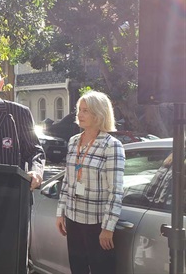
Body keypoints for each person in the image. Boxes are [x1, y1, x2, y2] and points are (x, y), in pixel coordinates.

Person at [56, 90, 125, 274]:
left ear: (99, 113)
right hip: (73, 220)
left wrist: (108, 228)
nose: (79, 114)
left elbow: (116, 191)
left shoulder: (111, 146)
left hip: (96, 224)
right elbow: (67, 181)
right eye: (79, 109)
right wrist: (60, 212)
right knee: (77, 270)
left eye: (85, 110)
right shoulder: (73, 141)